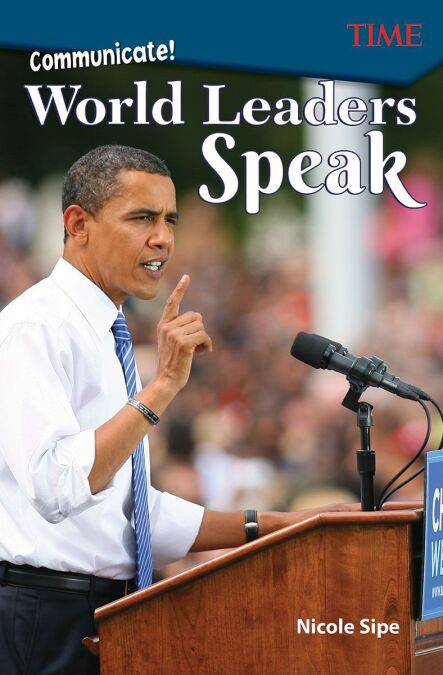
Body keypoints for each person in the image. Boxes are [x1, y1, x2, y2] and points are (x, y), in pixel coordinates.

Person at [0, 145, 348, 674]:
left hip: (100, 611)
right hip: (47, 620)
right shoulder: (35, 328)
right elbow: (59, 486)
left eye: (169, 220)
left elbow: (127, 515)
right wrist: (160, 388)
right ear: (78, 224)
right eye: (142, 218)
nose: (163, 237)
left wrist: (284, 523)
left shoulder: (105, 330)